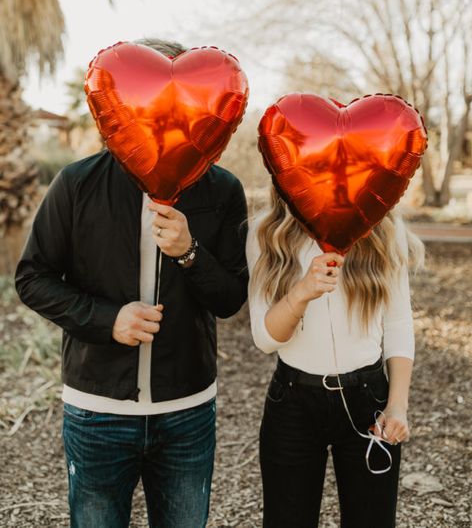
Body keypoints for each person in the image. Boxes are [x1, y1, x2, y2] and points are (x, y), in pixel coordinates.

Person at [15, 38, 249, 528]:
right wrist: (108, 319)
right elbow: (32, 277)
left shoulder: (222, 190)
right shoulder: (77, 185)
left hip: (187, 411)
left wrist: (189, 252)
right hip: (96, 410)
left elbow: (230, 298)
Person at [247, 186, 424, 528]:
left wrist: (397, 405)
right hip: (293, 400)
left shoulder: (383, 227)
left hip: (368, 398)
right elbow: (265, 339)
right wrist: (301, 293)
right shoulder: (266, 231)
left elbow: (399, 323)